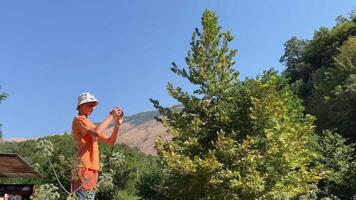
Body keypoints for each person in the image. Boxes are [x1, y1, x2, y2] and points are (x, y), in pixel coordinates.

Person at [71, 92, 124, 199]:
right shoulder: (79, 119)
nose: (93, 108)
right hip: (84, 168)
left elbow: (110, 141)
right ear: (81, 105)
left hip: (90, 168)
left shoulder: (89, 124)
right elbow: (97, 132)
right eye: (90, 105)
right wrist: (111, 115)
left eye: (94, 105)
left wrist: (117, 124)